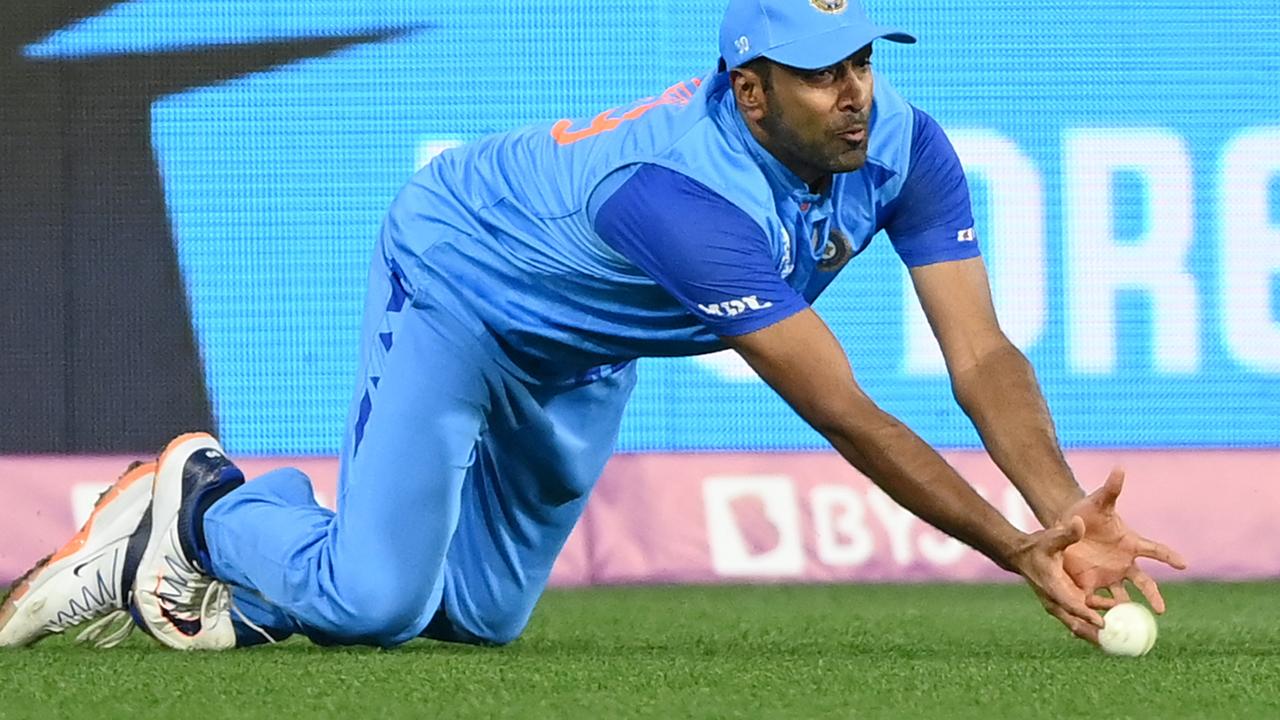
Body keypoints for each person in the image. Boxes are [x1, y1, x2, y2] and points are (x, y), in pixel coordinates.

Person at [1, 0, 1185, 651]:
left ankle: (245, 595)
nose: (855, 91)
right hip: (462, 283)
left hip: (583, 346)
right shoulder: (681, 197)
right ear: (748, 88)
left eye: (863, 60)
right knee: (376, 605)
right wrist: (1009, 550)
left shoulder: (903, 145)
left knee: (474, 624)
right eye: (821, 72)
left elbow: (978, 353)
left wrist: (1062, 508)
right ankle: (200, 503)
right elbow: (845, 413)